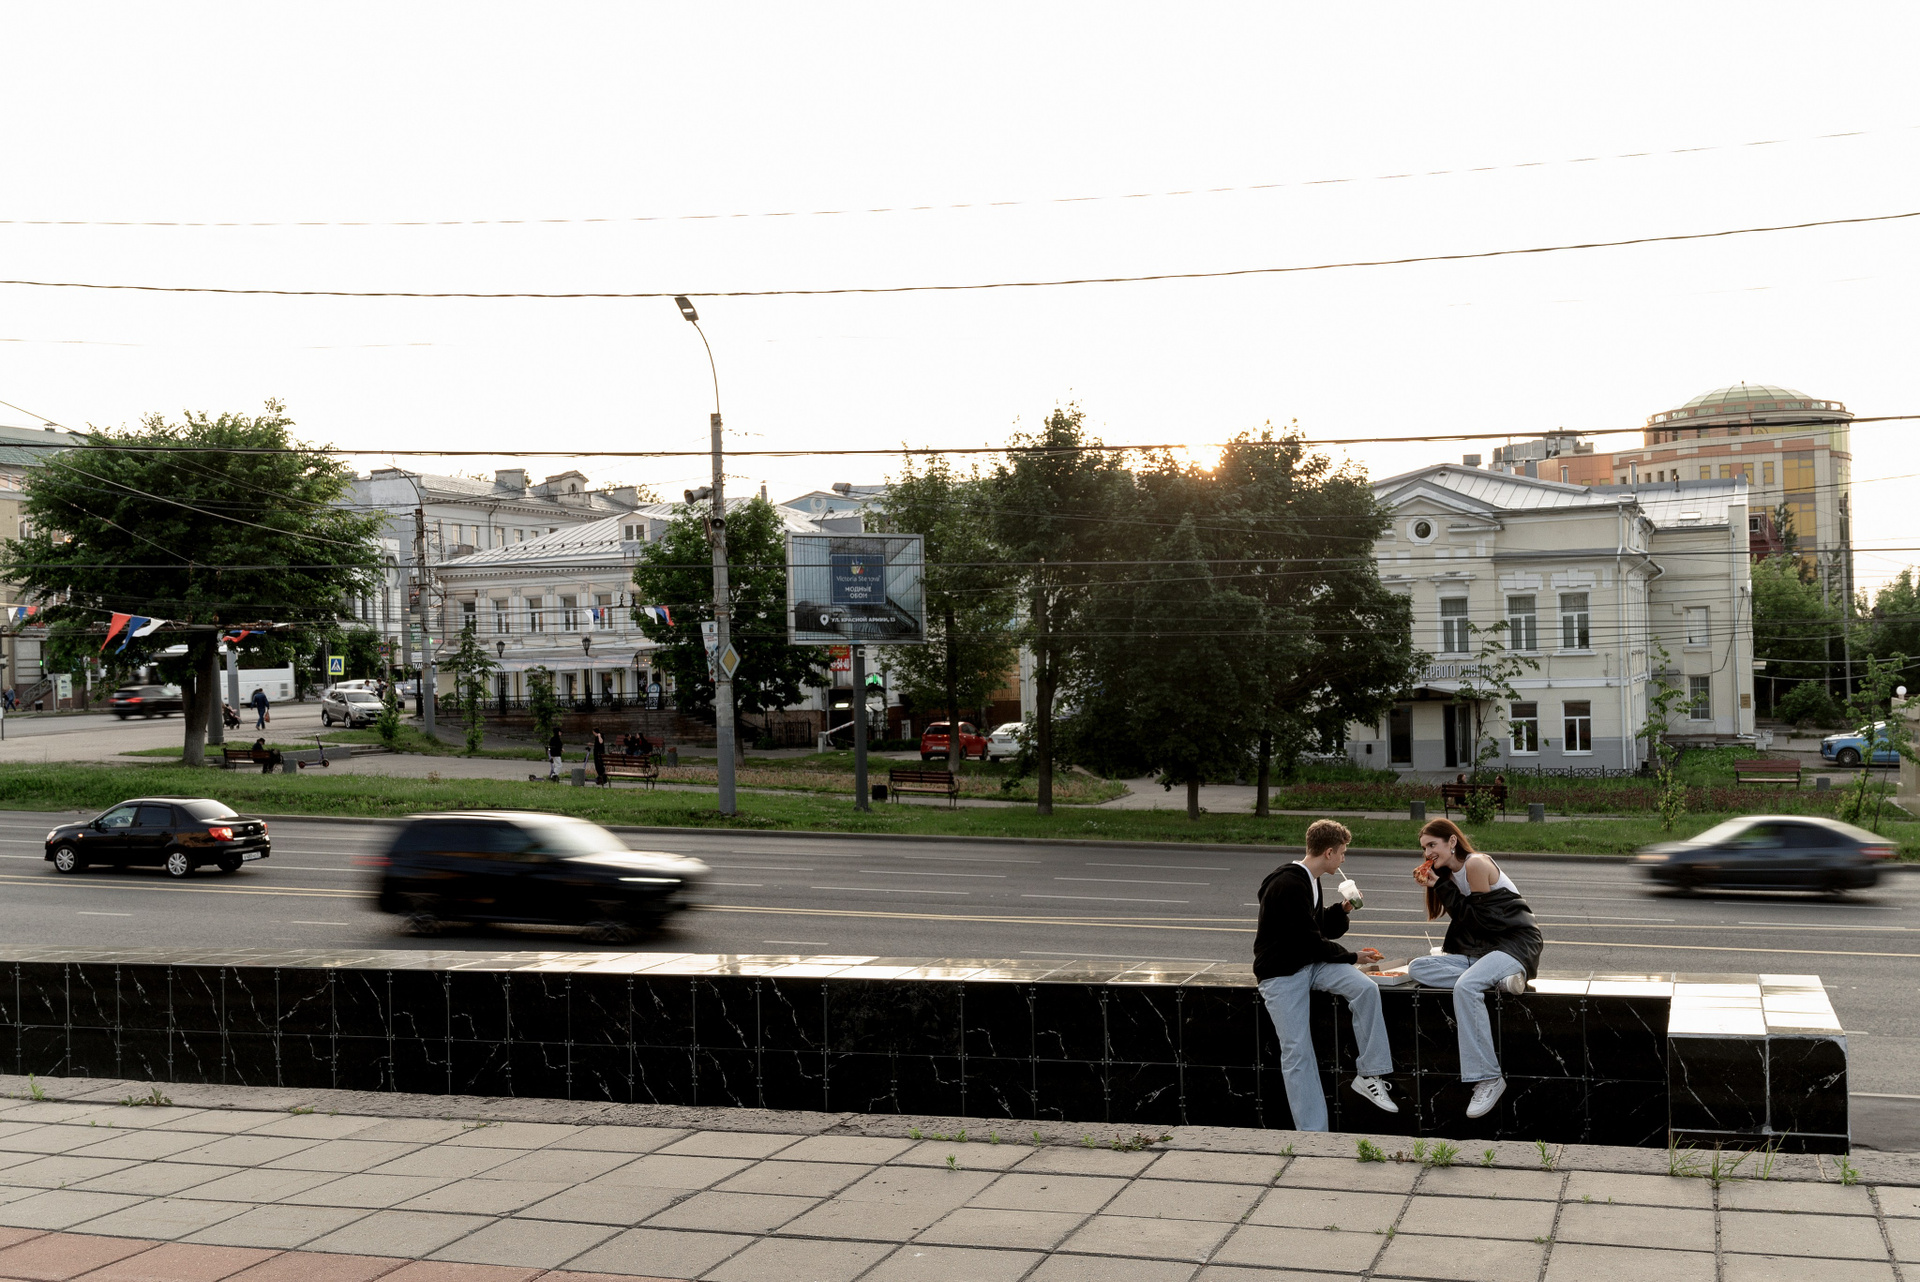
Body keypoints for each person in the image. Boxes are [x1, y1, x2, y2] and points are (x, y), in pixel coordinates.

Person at [1253, 818, 1398, 1131]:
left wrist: (1342, 910)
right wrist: (1351, 956)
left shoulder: (1309, 880)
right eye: (1342, 853)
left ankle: (1369, 1073)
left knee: (1365, 988)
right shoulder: (1288, 884)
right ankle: (1313, 1134)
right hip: (1281, 974)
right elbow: (1309, 940)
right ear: (1329, 852)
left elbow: (1316, 928)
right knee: (1297, 1053)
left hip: (1310, 964)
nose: (1344, 859)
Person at [1409, 818, 1543, 1120]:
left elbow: (1482, 921)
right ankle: (1502, 980)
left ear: (1452, 841)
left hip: (1515, 944)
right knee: (1417, 968)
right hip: (1485, 952)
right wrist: (1439, 884)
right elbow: (1469, 924)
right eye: (1424, 848)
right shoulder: (1449, 875)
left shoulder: (1476, 864)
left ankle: (1488, 1077)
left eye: (1432, 845)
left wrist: (1441, 886)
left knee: (1466, 986)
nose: (1427, 853)